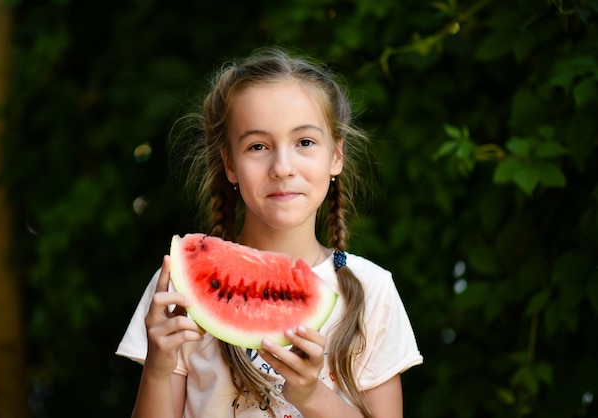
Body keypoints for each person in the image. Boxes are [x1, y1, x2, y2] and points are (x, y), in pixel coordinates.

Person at [117, 46, 423, 418]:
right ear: (229, 162)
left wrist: (311, 396)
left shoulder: (372, 290)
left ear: (336, 156)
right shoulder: (176, 290)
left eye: (305, 143)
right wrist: (157, 369)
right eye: (258, 146)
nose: (282, 167)